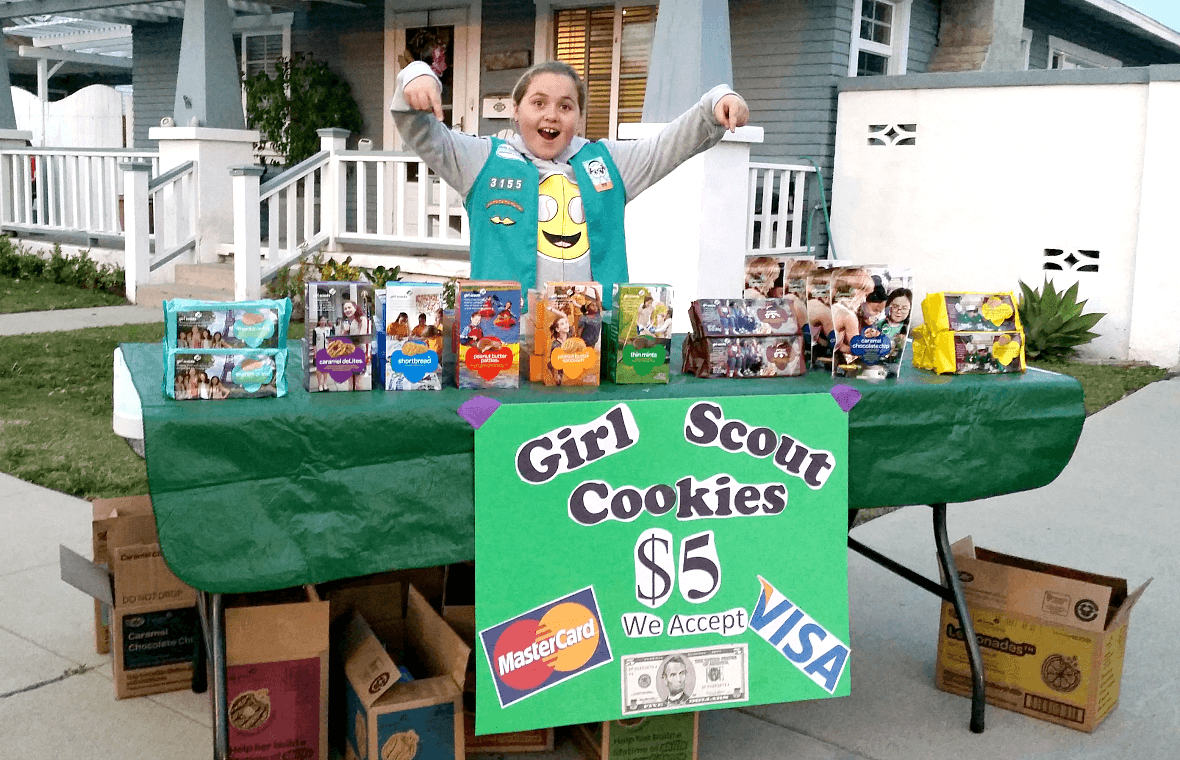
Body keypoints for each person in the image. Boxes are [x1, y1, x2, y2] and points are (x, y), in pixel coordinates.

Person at [392, 58, 748, 299]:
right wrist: (416, 75)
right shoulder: (481, 160)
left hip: (594, 346)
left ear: (578, 115)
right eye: (538, 103)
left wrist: (716, 103)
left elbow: (671, 144)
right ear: (515, 111)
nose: (552, 115)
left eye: (565, 106)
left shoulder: (607, 162)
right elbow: (421, 132)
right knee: (491, 414)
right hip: (504, 345)